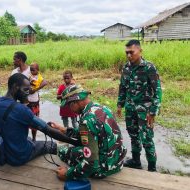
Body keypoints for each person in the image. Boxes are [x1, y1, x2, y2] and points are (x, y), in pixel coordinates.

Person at [0, 73, 80, 166]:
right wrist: (74, 142)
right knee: (51, 145)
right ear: (15, 87)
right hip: (19, 157)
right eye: (25, 90)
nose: (28, 93)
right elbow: (48, 130)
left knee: (29, 139)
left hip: (2, 153)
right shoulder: (21, 110)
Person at [51, 84, 127, 180]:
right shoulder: (103, 108)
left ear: (75, 102)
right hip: (116, 162)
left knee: (66, 152)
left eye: (69, 105)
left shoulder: (87, 120)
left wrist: (67, 174)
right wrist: (64, 129)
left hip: (102, 169)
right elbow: (91, 133)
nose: (70, 109)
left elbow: (91, 163)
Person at [117, 39, 162, 172]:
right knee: (133, 135)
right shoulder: (126, 67)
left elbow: (157, 90)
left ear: (140, 51)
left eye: (131, 52)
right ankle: (136, 161)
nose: (129, 55)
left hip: (145, 111)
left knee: (147, 138)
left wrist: (153, 111)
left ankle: (152, 168)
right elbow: (123, 87)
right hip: (130, 108)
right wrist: (120, 104)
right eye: (127, 53)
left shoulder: (149, 67)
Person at [28, 62, 48, 141]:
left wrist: (36, 89)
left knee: (34, 122)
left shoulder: (39, 77)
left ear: (38, 70)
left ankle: (34, 138)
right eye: (31, 70)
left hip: (34, 102)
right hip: (27, 102)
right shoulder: (29, 76)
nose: (32, 72)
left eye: (33, 70)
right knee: (25, 121)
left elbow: (44, 82)